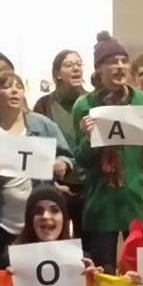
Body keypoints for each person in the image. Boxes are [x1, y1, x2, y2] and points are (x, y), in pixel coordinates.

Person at [73, 31, 143, 273]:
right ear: (99, 69)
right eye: (112, 62)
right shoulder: (84, 105)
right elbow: (81, 160)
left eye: (124, 60)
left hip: (137, 198)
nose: (120, 66)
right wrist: (87, 137)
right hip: (101, 202)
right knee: (104, 275)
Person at [0, 70, 74, 272]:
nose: (14, 91)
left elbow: (67, 156)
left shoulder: (42, 125)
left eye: (18, 87)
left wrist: (62, 164)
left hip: (38, 223)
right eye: (7, 87)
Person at [32, 49, 89, 238]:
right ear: (57, 73)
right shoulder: (44, 105)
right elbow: (37, 147)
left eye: (79, 64)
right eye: (69, 65)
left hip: (88, 186)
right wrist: (52, 182)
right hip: (57, 186)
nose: (76, 69)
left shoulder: (92, 102)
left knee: (87, 246)